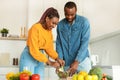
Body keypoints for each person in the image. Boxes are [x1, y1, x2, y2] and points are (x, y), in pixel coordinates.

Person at [19, 7, 64, 80]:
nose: (54, 26)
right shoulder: (35, 28)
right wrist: (50, 62)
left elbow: (49, 48)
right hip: (29, 56)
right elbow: (34, 50)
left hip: (40, 58)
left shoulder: (49, 32)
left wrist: (57, 58)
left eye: (56, 24)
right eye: (53, 23)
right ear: (47, 19)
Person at [56, 1, 91, 76]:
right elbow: (59, 44)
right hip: (67, 64)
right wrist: (59, 60)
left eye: (72, 14)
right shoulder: (60, 25)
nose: (69, 17)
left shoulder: (84, 22)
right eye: (67, 14)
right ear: (64, 12)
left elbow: (84, 43)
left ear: (76, 11)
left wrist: (77, 61)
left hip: (82, 62)